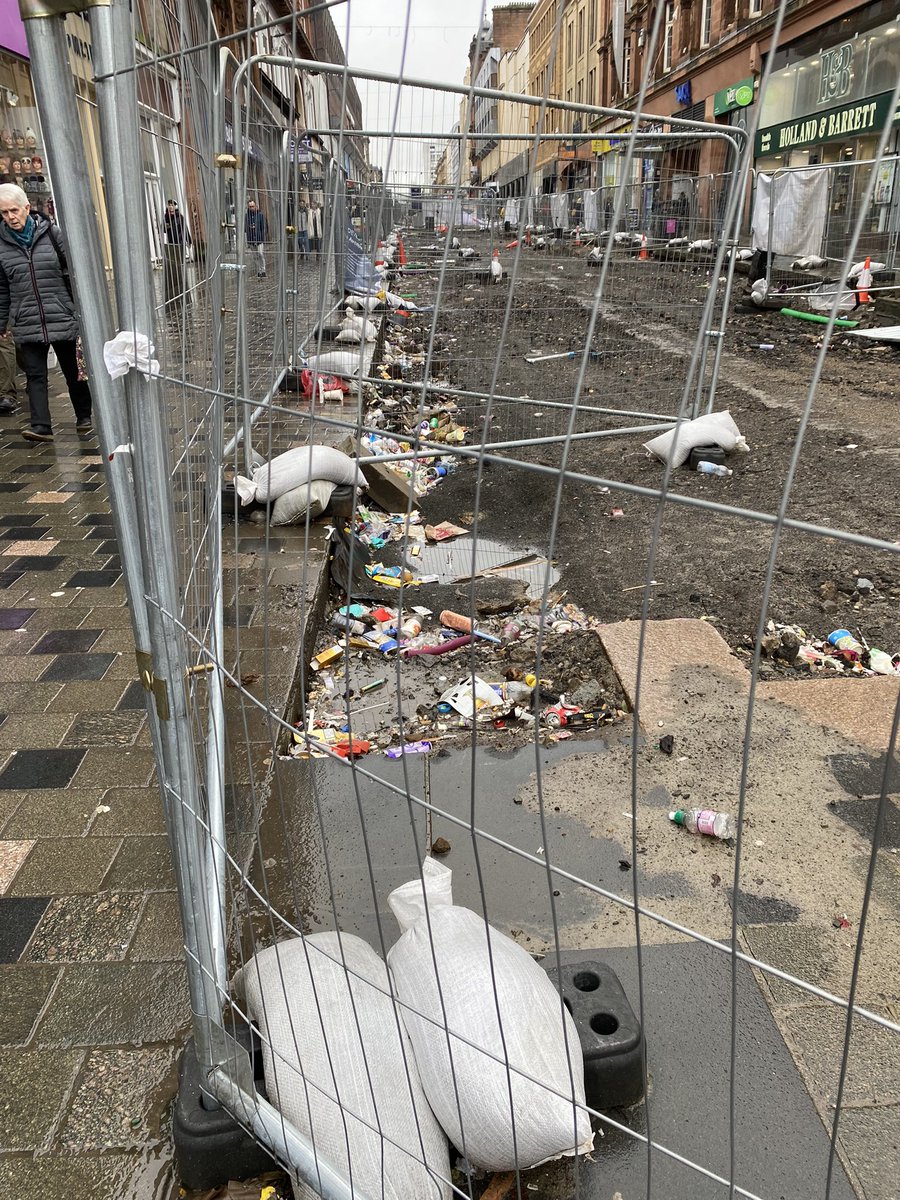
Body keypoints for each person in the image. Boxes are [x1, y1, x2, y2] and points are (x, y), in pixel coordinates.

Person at [0, 183, 92, 442]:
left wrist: (79, 310)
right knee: (35, 374)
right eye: (4, 213)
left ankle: (84, 416)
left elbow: (74, 274)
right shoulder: (1, 245)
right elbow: (2, 287)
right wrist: (2, 323)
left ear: (27, 207)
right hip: (26, 318)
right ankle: (41, 426)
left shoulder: (52, 234)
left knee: (72, 370)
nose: (10, 217)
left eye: (14, 210)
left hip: (60, 312)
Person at [162, 198, 191, 311]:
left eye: (172, 205)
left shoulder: (180, 217)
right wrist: (166, 226)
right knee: (173, 262)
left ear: (175, 206)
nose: (170, 207)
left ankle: (181, 281)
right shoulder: (166, 217)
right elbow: (163, 229)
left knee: (180, 262)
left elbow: (185, 229)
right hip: (171, 243)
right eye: (169, 205)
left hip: (179, 242)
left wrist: (188, 240)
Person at [244, 198, 268, 277]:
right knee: (255, 256)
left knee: (260, 254)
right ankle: (259, 271)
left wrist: (263, 237)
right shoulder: (246, 216)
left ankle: (263, 269)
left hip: (259, 238)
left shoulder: (260, 215)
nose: (251, 208)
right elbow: (245, 228)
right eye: (250, 207)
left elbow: (263, 227)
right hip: (251, 239)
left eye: (253, 206)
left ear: (256, 206)